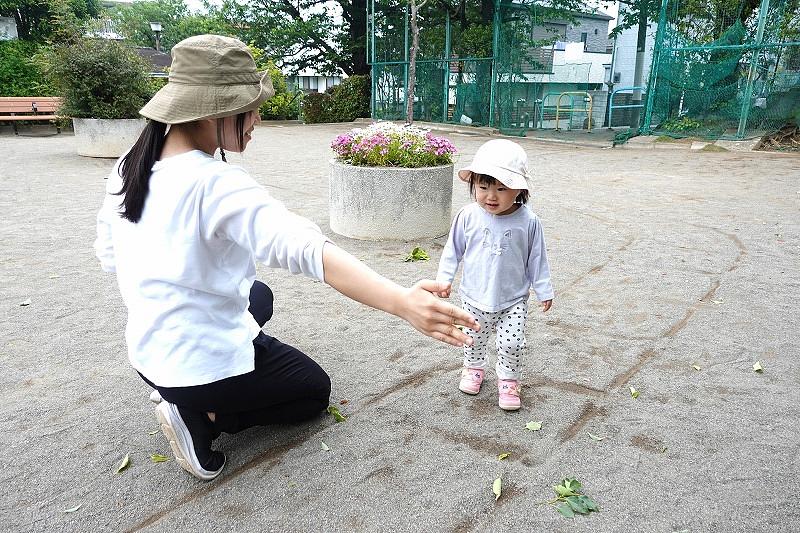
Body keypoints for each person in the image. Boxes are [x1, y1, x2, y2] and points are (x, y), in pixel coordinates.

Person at [94, 35, 479, 481]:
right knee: (313, 393)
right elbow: (306, 248)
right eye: (249, 107)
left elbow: (110, 257)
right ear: (212, 111)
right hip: (192, 369)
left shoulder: (131, 163)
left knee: (260, 295)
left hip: (148, 353)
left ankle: (185, 390)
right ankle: (202, 419)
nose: (257, 117)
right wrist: (402, 302)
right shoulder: (215, 184)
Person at [435, 139, 554, 411]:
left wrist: (544, 289)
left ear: (519, 190)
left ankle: (508, 379)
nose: (491, 195)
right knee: (473, 338)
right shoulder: (468, 216)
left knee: (512, 342)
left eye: (502, 188)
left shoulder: (528, 221)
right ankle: (473, 368)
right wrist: (445, 279)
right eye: (484, 186)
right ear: (474, 184)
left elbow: (537, 258)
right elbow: (453, 250)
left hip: (513, 298)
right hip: (474, 296)